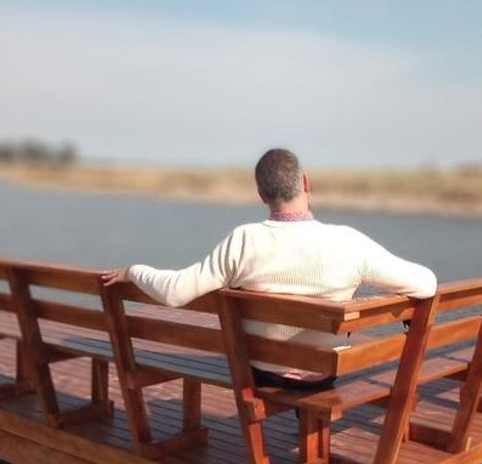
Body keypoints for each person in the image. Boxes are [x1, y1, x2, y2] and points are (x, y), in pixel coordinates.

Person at [102, 148, 437, 391]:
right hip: (321, 376)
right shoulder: (349, 243)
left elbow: (175, 292)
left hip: (262, 372)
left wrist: (134, 271)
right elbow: (426, 284)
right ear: (306, 182)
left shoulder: (244, 240)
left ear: (262, 195)